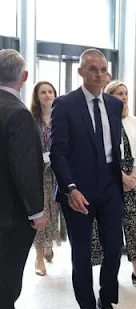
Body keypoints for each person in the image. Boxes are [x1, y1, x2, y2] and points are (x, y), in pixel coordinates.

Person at [50, 48, 125, 309]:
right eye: (92, 69)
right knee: (81, 253)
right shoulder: (65, 104)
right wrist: (70, 188)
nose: (98, 74)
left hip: (109, 186)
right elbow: (58, 152)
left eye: (103, 69)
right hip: (77, 189)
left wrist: (126, 174)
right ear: (80, 71)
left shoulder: (114, 105)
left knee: (114, 249)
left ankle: (107, 303)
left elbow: (116, 147)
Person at [0, 49, 47, 309]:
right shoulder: (18, 113)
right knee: (10, 266)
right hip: (11, 211)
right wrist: (36, 212)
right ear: (24, 77)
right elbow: (25, 167)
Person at [90, 81, 136, 285]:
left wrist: (133, 174)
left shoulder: (132, 120)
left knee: (134, 223)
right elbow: (105, 153)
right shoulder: (103, 120)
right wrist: (121, 176)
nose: (123, 97)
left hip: (133, 177)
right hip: (111, 178)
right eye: (119, 94)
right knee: (110, 225)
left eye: (126, 93)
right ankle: (109, 271)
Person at [30, 81, 67, 276]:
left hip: (58, 172)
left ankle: (49, 245)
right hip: (39, 173)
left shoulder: (59, 117)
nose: (47, 95)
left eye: (50, 91)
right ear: (37, 96)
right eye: (42, 92)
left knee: (56, 211)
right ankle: (38, 257)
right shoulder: (31, 119)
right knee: (43, 212)